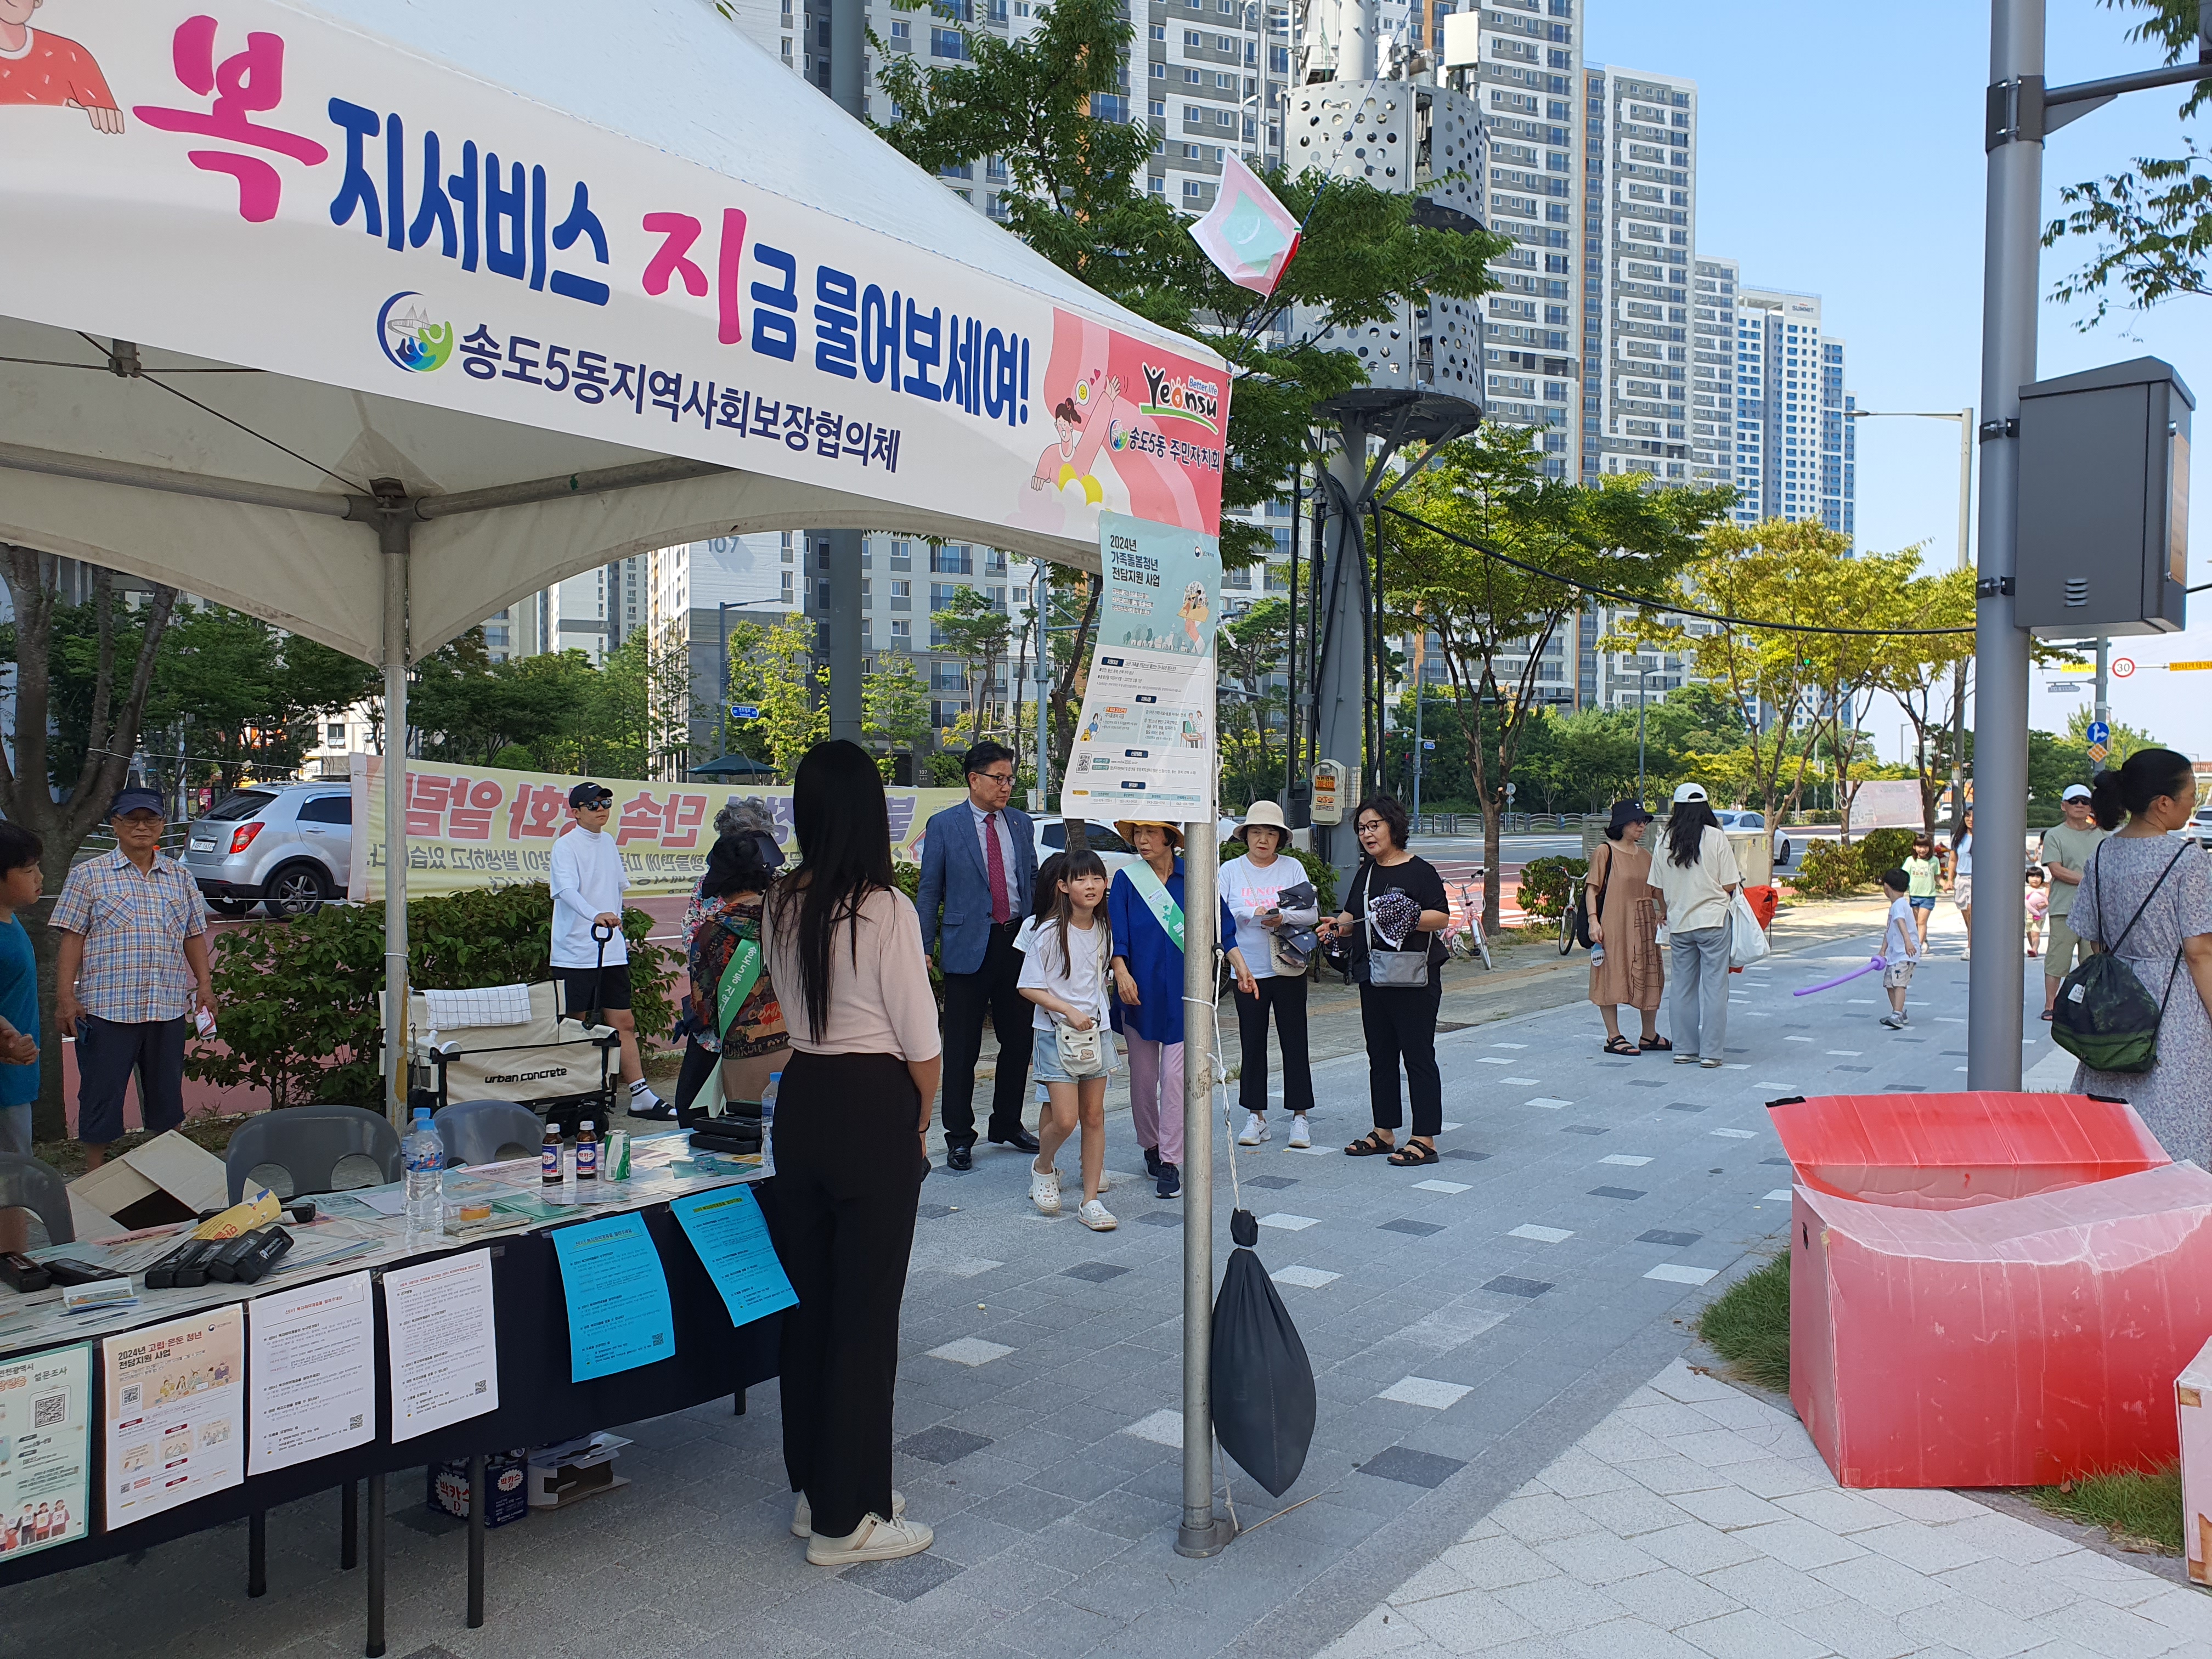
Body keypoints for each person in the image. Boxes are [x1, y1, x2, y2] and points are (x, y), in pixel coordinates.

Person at [763, 741, 943, 1567]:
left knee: (811, 1309)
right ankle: (850, 1521)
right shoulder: (885, 909)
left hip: (803, 1102)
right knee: (866, 1317)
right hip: (873, 1106)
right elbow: (923, 1042)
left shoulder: (779, 900)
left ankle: (821, 1490)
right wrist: (922, 1118)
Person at [50, 788, 215, 1170]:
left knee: (166, 1099)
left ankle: (167, 1173)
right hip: (108, 1010)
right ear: (116, 825)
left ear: (162, 825)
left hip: (166, 1006)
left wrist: (205, 985)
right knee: (100, 1095)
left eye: (150, 820)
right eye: (132, 820)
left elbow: (193, 935)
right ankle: (96, 1177)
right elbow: (72, 938)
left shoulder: (180, 877)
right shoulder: (88, 876)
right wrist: (65, 998)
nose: (142, 827)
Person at [2062, 748, 2212, 1166]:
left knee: (2115, 1128)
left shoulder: (2102, 856)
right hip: (2175, 1006)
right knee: (2179, 1122)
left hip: (2114, 1007)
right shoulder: (2188, 860)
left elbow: (2094, 941)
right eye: (2191, 795)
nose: (2192, 804)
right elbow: (2200, 953)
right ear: (2163, 803)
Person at [915, 741, 1040, 1171]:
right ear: (974, 779)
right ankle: (959, 1136)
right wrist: (922, 947)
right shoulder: (945, 826)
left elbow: (1032, 880)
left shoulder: (1021, 824)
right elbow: (929, 890)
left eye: (1010, 779)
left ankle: (1006, 1121)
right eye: (999, 778)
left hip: (1017, 944)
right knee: (963, 1047)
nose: (1007, 787)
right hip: (967, 946)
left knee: (1019, 1039)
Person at [1107, 818, 1243, 1198]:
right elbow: (1118, 933)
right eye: (1137, 834)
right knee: (1143, 1079)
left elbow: (1222, 928)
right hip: (1139, 994)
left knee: (1175, 1079)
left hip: (1187, 995)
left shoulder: (1195, 877)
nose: (1142, 840)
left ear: (1170, 838)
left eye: (1150, 833)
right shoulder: (1127, 880)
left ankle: (1170, 1160)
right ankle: (1150, 1144)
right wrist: (1120, 971)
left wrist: (1241, 966)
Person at [1324, 796, 1451, 1167]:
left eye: (1374, 825)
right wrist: (1335, 926)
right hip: (1373, 973)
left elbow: (1441, 917)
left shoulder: (1419, 871)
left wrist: (1408, 916)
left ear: (1393, 825)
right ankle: (1384, 1131)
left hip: (1415, 976)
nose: (1368, 834)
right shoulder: (1367, 872)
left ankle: (1424, 1139)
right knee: (1379, 1056)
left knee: (1418, 1055)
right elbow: (1352, 914)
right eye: (1362, 828)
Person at [549, 782, 670, 1119]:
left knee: (623, 1022)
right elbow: (566, 892)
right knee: (575, 1023)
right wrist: (595, 915)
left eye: (606, 802)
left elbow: (616, 890)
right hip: (575, 951)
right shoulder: (565, 846)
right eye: (593, 804)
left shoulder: (609, 843)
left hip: (611, 948)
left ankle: (640, 1095)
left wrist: (614, 929)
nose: (602, 808)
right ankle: (574, 1097)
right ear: (576, 811)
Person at [1017, 849, 1118, 1230]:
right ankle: (1044, 1167)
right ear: (1063, 886)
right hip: (1054, 1034)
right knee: (1065, 1119)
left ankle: (1090, 1200)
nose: (1090, 886)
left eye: (1097, 878)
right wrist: (1066, 1011)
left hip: (1097, 1032)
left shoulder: (1104, 929)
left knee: (1094, 1117)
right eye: (1081, 879)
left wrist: (1091, 1014)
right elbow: (1027, 986)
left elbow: (1097, 980)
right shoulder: (1046, 932)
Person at [671, 802, 788, 1121]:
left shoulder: (782, 887)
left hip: (723, 1021)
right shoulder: (787, 891)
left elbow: (696, 952)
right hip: (778, 1024)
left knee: (697, 1112)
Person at [1222, 801, 1320, 1150]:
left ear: (1280, 838)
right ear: (1245, 835)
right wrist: (1253, 911)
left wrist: (1283, 918)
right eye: (1256, 832)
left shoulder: (1293, 868)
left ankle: (1300, 1117)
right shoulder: (1230, 870)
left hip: (1288, 966)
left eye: (1270, 833)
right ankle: (1256, 1115)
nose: (1263, 840)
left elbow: (1311, 912)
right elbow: (1220, 914)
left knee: (1295, 1041)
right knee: (1252, 1042)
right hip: (1247, 969)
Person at [1647, 783, 1741, 1070]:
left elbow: (1656, 888)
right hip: (1713, 922)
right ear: (1706, 807)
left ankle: (1685, 1050)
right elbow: (1729, 884)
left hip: (1679, 924)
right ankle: (1711, 1053)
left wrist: (1665, 911)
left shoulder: (1664, 840)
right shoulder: (1715, 837)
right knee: (1715, 988)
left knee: (1682, 989)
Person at [1585, 800, 1668, 1056]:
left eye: (1644, 821)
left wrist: (1665, 910)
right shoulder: (1605, 851)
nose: (1642, 826)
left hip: (1644, 923)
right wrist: (1593, 920)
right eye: (1637, 821)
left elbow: (1657, 888)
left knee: (1651, 974)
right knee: (1611, 972)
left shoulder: (1645, 855)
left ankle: (1649, 1034)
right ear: (1621, 824)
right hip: (1614, 922)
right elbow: (1592, 889)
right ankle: (1613, 1036)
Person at [0, 824, 43, 1254]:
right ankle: (13, 1261)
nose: (39, 878)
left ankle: (15, 1260)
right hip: (5, 1080)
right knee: (11, 1179)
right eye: (29, 869)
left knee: (16, 1175)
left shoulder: (11, 923)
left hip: (17, 1078)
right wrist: (7, 1038)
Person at [2038, 782, 2110, 1021]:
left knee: (2093, 960)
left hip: (2096, 908)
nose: (2080, 805)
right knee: (2058, 957)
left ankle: (2089, 1006)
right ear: (2064, 806)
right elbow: (2056, 870)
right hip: (2064, 906)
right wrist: (2089, 879)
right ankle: (2051, 1004)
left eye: (2085, 801)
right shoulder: (2054, 835)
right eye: (2074, 801)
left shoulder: (2102, 835)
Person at [1877, 868, 1923, 1030]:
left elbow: (1902, 923)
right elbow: (1889, 930)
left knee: (1899, 984)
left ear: (1886, 887)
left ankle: (1897, 1014)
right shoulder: (1898, 905)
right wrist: (1883, 951)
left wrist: (1908, 942)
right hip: (1895, 955)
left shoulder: (1899, 906)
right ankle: (1899, 1013)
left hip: (1906, 954)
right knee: (1890, 984)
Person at [1903, 833, 1944, 949]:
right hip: (1914, 895)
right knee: (1917, 922)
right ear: (1914, 847)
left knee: (1921, 922)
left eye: (1925, 847)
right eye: (1919, 846)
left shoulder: (1934, 861)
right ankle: (1924, 939)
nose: (1922, 850)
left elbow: (1937, 877)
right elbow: (1904, 876)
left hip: (1928, 896)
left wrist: (1945, 884)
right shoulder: (1910, 861)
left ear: (1930, 848)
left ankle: (1917, 947)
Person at [1947, 806, 1975, 951]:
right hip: (1961, 879)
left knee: (1972, 911)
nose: (1971, 819)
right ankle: (1974, 938)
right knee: (1966, 913)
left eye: (1974, 816)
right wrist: (1949, 880)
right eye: (1968, 816)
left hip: (1976, 880)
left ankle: (1971, 947)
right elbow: (1953, 860)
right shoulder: (1958, 837)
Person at [2024, 868, 2050, 958]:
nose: (2035, 879)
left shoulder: (2044, 889)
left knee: (2036, 933)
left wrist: (2043, 905)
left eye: (2038, 876)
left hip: (2039, 916)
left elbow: (2047, 899)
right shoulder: (2025, 889)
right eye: (2032, 876)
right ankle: (2033, 948)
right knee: (2029, 932)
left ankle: (2034, 949)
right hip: (2027, 916)